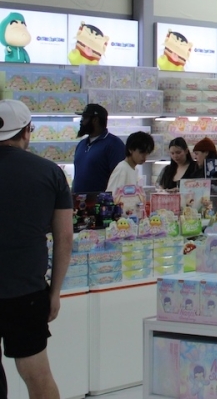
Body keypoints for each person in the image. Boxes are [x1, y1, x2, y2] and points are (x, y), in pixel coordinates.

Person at [0, 100, 72, 399]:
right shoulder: (50, 172)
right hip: (27, 291)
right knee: (37, 376)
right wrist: (54, 293)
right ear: (27, 131)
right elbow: (64, 237)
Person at [72, 104, 126, 194]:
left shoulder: (114, 144)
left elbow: (118, 178)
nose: (81, 121)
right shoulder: (81, 144)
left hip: (101, 201)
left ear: (95, 120)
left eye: (85, 118)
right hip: (79, 200)